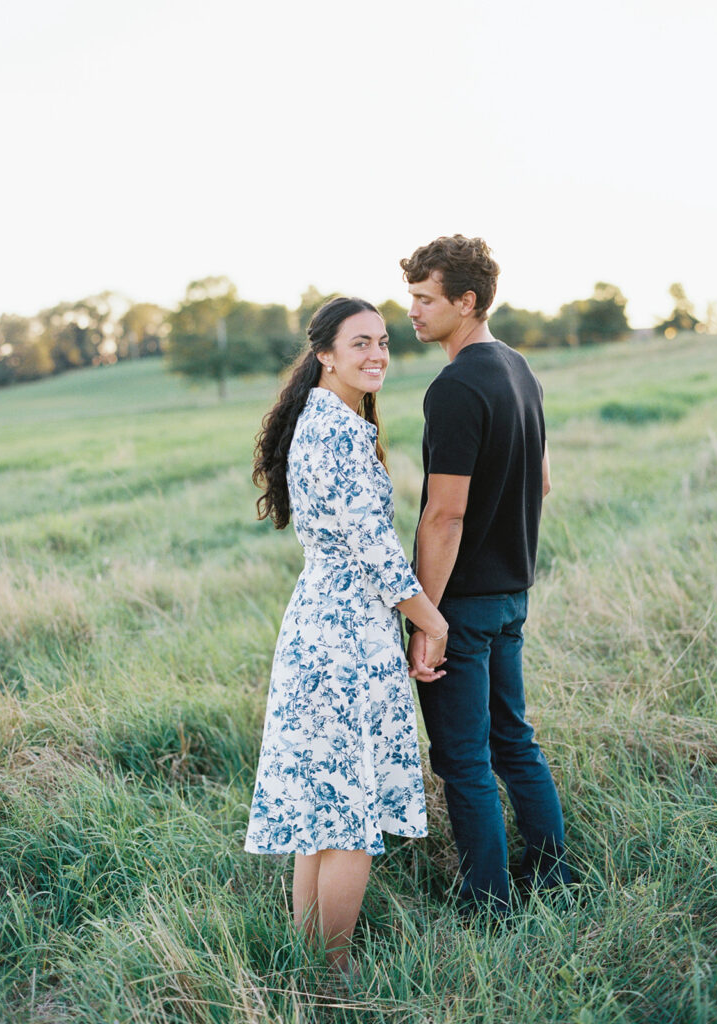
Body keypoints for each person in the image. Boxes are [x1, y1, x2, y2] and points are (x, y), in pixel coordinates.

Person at [246, 296, 449, 971]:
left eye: (383, 342)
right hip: (346, 636)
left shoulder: (327, 421)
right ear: (325, 355)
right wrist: (431, 620)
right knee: (349, 818)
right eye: (360, 343)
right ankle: (332, 977)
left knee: (324, 814)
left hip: (326, 622)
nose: (377, 354)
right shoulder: (335, 431)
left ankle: (310, 963)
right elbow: (375, 549)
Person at [400, 235, 571, 916]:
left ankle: (488, 906)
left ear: (466, 301)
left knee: (464, 760)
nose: (413, 311)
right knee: (514, 742)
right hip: (511, 596)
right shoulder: (520, 369)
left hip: (463, 606)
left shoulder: (455, 387)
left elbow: (444, 515)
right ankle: (555, 879)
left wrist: (426, 619)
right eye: (412, 297)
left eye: (425, 298)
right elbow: (543, 481)